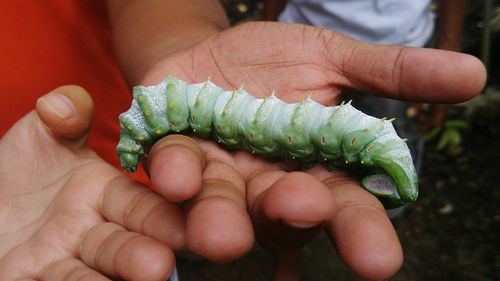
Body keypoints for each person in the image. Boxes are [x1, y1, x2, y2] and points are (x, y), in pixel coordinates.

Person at [0, 1, 486, 281]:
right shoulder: (163, 114)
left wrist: (176, 48)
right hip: (91, 210)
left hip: (98, 194)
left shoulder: (156, 115)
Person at [264, 0, 469, 174]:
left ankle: (390, 202)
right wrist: (267, 34)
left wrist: (448, 47)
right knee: (299, 143)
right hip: (304, 44)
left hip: (399, 49)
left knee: (393, 145)